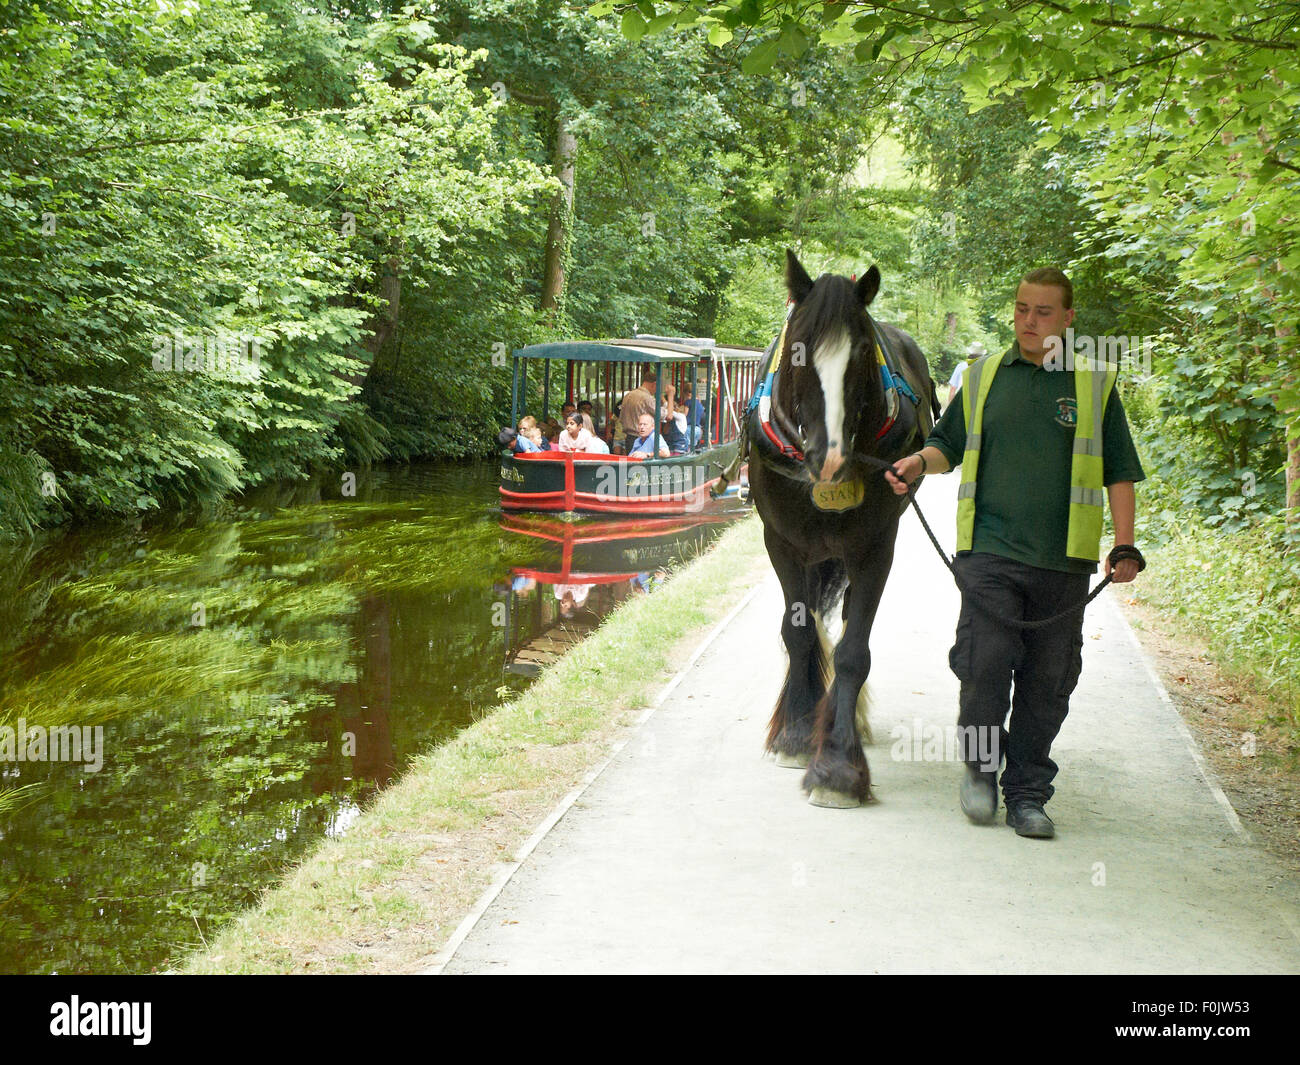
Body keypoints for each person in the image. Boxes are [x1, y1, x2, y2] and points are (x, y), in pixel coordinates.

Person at [885, 267, 1146, 840]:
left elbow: (1120, 471)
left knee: (1047, 684)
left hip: (1065, 561)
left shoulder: (1094, 384)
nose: (1030, 321)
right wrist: (915, 463)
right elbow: (945, 446)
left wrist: (1124, 544)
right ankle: (980, 772)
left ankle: (1027, 793)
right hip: (989, 553)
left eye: (1044, 312)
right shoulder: (981, 379)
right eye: (1023, 309)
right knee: (983, 666)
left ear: (1069, 318)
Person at [619, 372, 658, 450]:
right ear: (654, 384)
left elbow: (621, 418)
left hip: (629, 438)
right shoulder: (647, 398)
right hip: (642, 439)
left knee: (631, 460)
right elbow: (663, 415)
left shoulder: (628, 395)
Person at [947, 341, 987, 408]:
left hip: (961, 402)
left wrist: (950, 409)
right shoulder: (985, 367)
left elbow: (953, 390)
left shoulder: (961, 366)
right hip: (978, 405)